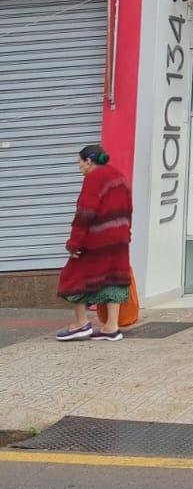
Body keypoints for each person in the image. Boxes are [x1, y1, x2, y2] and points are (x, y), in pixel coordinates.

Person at [56, 145, 133, 343]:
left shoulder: (94, 178)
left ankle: (82, 324)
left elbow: (85, 213)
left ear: (89, 161)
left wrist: (74, 243)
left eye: (80, 162)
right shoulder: (119, 177)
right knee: (114, 278)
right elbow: (128, 208)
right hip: (119, 239)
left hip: (97, 240)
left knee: (73, 276)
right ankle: (111, 327)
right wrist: (127, 234)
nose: (79, 167)